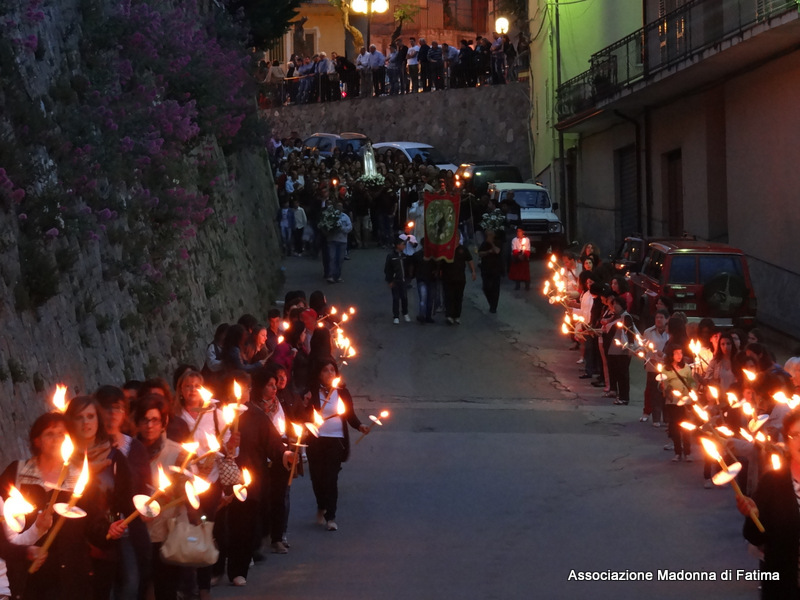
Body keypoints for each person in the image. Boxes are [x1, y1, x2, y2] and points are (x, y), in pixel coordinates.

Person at [64, 395, 136, 600]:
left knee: (124, 585)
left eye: (90, 416)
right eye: (79, 417)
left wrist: (115, 525)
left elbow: (125, 501)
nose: (85, 422)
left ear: (98, 420)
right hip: (72, 539)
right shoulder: (64, 459)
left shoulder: (114, 458)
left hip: (106, 537)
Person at [0, 412, 76, 599]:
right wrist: (25, 550)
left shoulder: (77, 478)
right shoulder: (17, 471)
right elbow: (6, 529)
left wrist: (107, 528)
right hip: (23, 570)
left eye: (61, 434)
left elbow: (91, 521)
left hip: (65, 571)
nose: (56, 439)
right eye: (50, 434)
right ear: (37, 440)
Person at [227, 370, 293, 585]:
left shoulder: (257, 416)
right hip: (222, 480)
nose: (241, 393)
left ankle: (238, 569)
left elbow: (272, 442)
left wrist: (285, 453)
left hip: (250, 480)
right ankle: (216, 567)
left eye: (245, 388)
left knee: (245, 525)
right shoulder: (218, 415)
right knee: (223, 526)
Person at [736, 408, 800, 598]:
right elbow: (754, 536)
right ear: (787, 440)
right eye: (796, 435)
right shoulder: (772, 481)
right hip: (784, 585)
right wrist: (753, 514)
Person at [303, 359, 369, 531]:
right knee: (317, 478)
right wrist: (305, 406)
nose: (330, 373)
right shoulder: (312, 392)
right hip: (316, 440)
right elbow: (302, 414)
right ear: (319, 374)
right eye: (325, 370)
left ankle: (331, 517)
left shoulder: (342, 392)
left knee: (331, 478)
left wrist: (360, 425)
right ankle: (321, 505)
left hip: (336, 440)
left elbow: (350, 415)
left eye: (332, 370)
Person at [133, 394, 187, 600]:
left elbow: (186, 492)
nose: (149, 426)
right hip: (137, 532)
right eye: (145, 420)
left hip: (166, 532)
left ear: (164, 422)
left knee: (166, 588)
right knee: (139, 586)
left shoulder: (176, 452)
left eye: (155, 420)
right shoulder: (129, 450)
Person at [660, 343, 695, 462]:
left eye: (681, 352)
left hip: (685, 402)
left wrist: (693, 390)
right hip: (672, 402)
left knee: (686, 428)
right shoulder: (665, 369)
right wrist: (665, 388)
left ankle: (687, 452)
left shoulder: (686, 368)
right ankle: (677, 452)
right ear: (671, 355)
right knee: (675, 428)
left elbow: (691, 382)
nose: (679, 355)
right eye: (676, 353)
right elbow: (663, 385)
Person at [641, 309, 669, 425]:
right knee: (653, 392)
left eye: (661, 317)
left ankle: (666, 418)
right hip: (653, 367)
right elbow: (643, 347)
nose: (658, 320)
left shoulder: (670, 332)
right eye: (657, 317)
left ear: (667, 319)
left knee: (666, 393)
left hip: (667, 368)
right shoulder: (648, 332)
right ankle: (652, 416)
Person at [385, 236, 411, 324]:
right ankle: (396, 316)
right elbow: (387, 269)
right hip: (395, 281)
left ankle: (405, 313)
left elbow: (407, 268)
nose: (404, 246)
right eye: (402, 244)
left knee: (404, 297)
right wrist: (390, 280)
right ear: (397, 245)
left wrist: (408, 278)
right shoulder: (391, 256)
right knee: (396, 298)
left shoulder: (404, 256)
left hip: (403, 281)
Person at [478, 229, 503, 313]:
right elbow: (480, 253)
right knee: (486, 287)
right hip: (485, 269)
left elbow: (497, 251)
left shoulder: (498, 242)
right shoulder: (484, 244)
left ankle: (493, 307)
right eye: (487, 235)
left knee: (495, 288)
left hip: (496, 269)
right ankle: (491, 302)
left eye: (490, 235)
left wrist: (491, 243)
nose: (489, 237)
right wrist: (488, 251)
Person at [326, 202, 353, 284]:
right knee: (332, 258)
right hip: (333, 240)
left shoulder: (345, 217)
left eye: (340, 206)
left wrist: (342, 229)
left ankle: (337, 276)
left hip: (342, 241)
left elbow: (350, 227)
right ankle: (331, 275)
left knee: (340, 259)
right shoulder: (331, 216)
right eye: (338, 206)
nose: (339, 208)